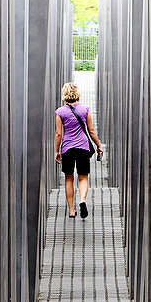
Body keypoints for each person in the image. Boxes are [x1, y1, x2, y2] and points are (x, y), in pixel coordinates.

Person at [55, 82, 104, 219]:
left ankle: (71, 210)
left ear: (64, 95)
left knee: (69, 178)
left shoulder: (60, 112)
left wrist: (56, 150)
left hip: (67, 148)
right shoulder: (85, 109)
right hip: (83, 146)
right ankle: (82, 200)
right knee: (83, 177)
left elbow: (58, 133)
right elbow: (91, 130)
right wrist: (98, 145)